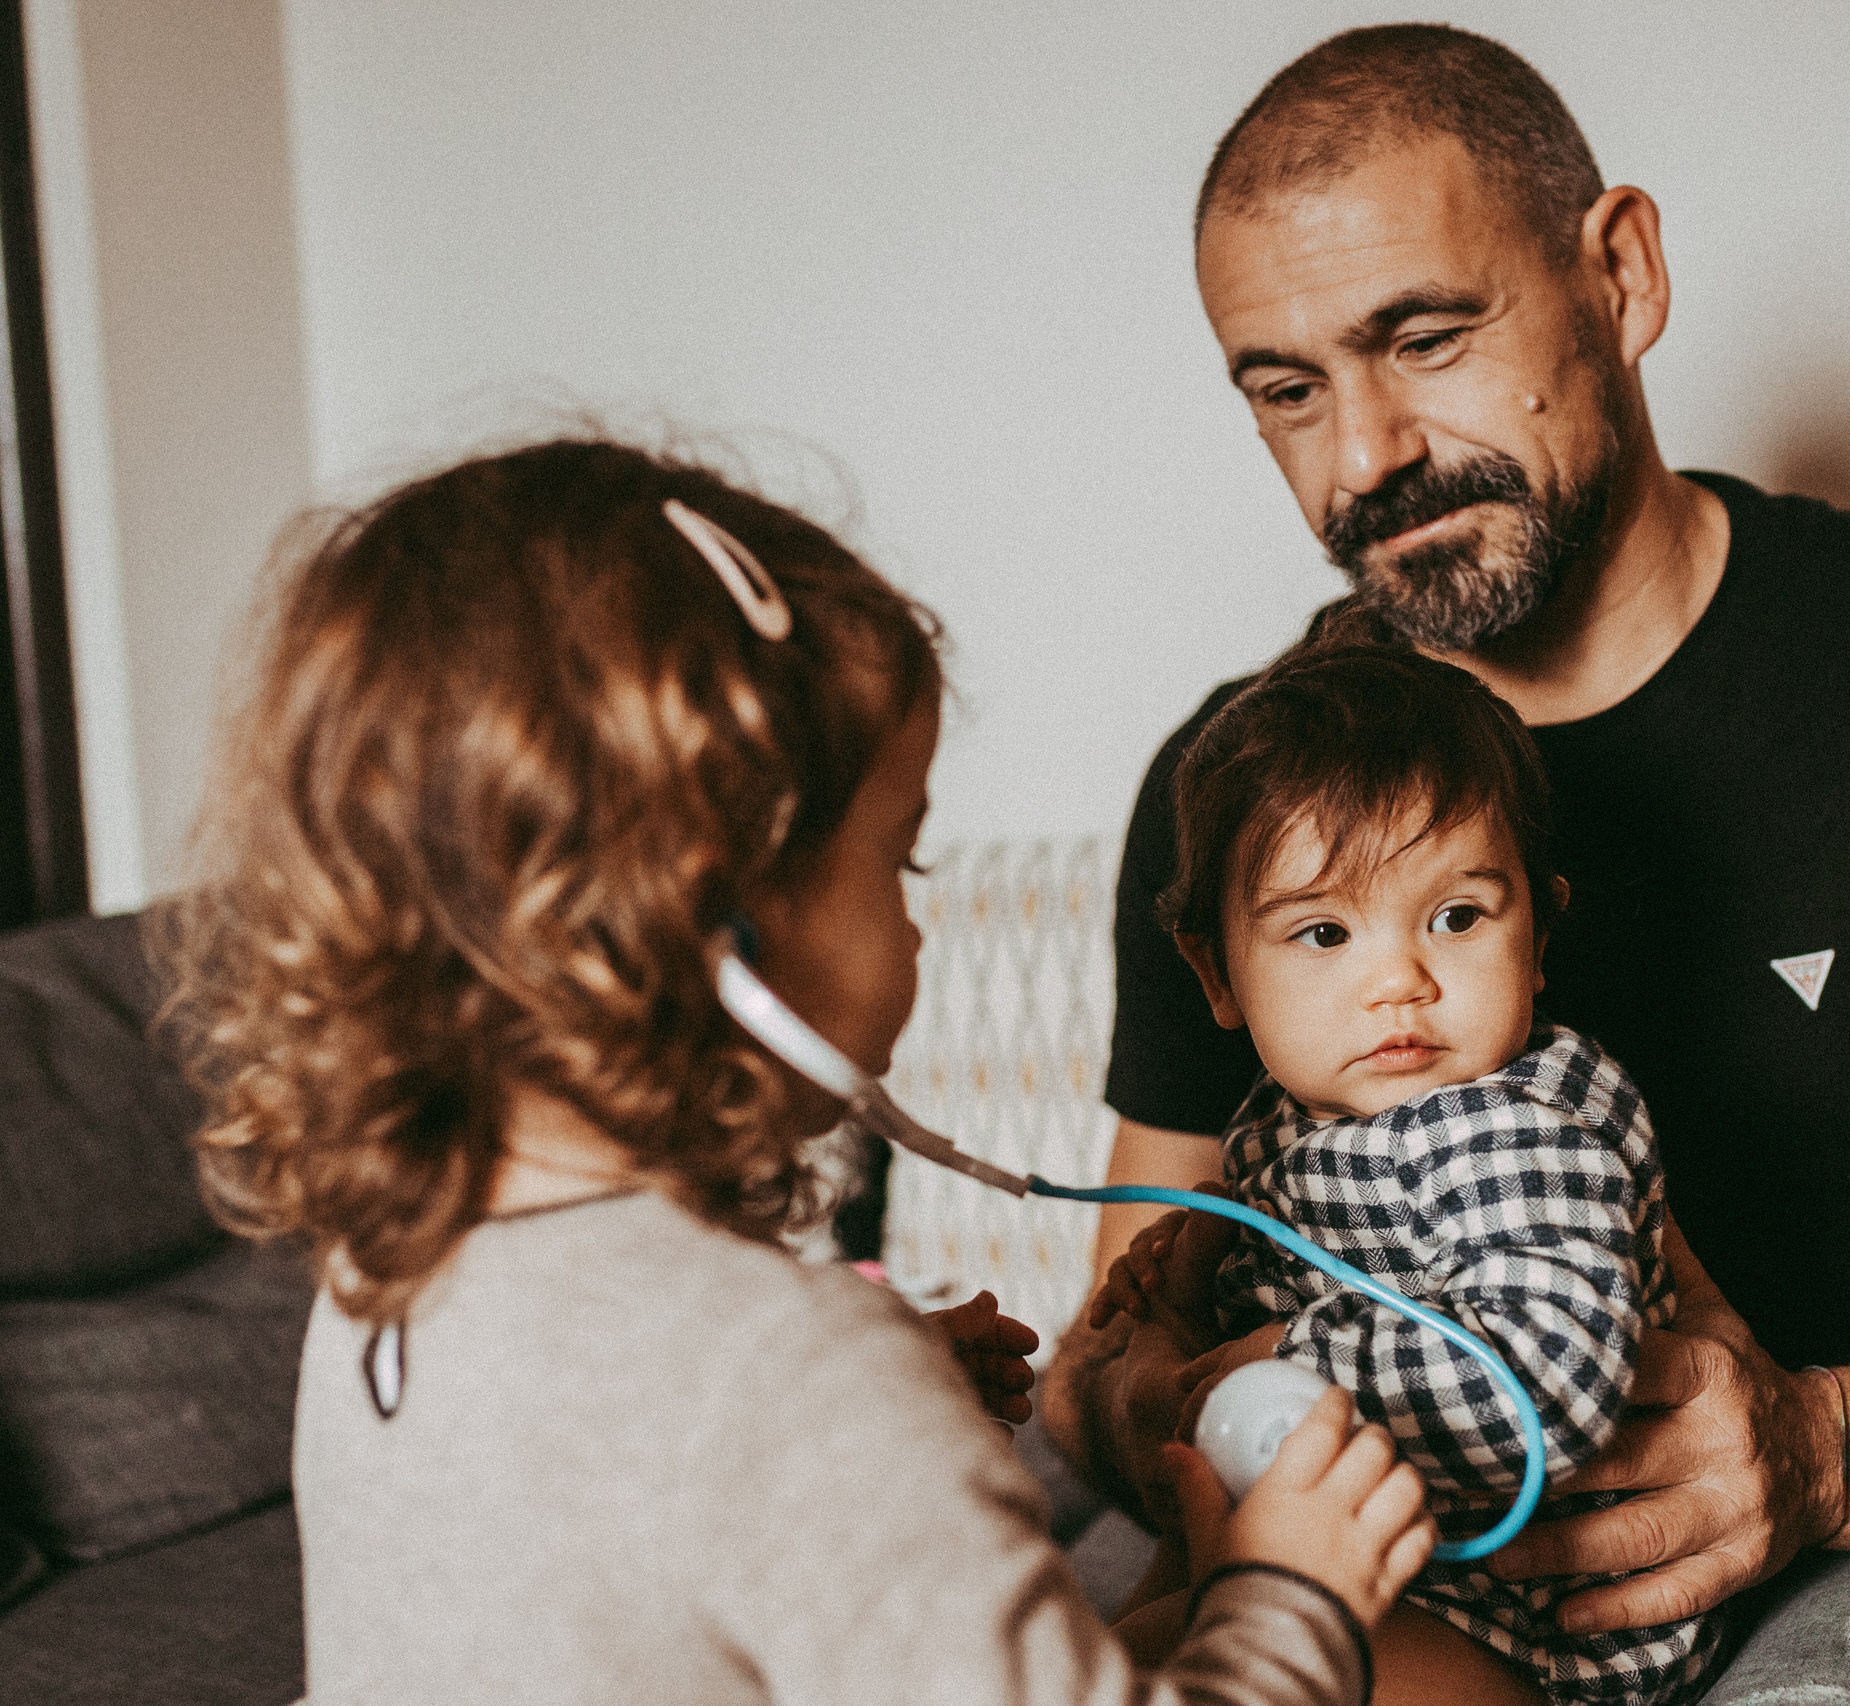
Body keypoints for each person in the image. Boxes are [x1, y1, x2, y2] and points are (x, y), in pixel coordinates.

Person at [1040, 24, 1850, 1704]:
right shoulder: (1247, 792)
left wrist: (1831, 1450)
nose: (1364, 453)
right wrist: (1160, 1407)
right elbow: (1124, 1334)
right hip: (1414, 1574)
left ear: (1621, 273)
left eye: (1425, 339)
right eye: (1288, 390)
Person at [160, 437, 1437, 1705]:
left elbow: (619, 1498)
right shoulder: (796, 1379)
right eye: (899, 857)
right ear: (714, 921)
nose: (916, 922)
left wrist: (883, 1409)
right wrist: (1288, 1589)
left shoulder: (384, 1281)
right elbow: (747, 1414)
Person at [1092, 644, 1717, 1703]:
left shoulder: (1516, 1127)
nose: (1398, 980)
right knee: (1107, 1653)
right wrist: (1186, 1287)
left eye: (1457, 917)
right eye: (1324, 931)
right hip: (1338, 1561)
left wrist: (1289, 1360)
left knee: (1162, 1658)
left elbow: (1548, 1379)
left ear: (1539, 931)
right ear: (1215, 973)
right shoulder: (1289, 1119)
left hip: (1522, 1622)